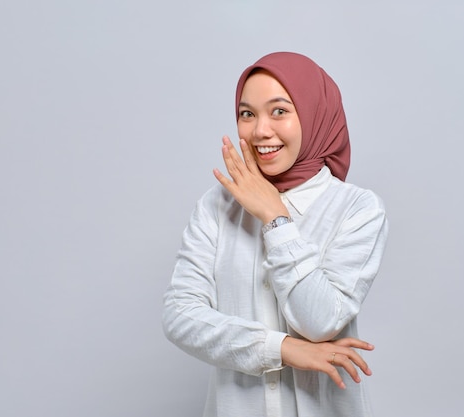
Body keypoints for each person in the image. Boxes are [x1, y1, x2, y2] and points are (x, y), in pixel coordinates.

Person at [163, 51, 388, 417]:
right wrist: (280, 348)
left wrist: (274, 217)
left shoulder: (357, 208)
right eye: (247, 113)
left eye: (279, 111)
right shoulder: (216, 206)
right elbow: (179, 315)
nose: (260, 130)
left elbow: (320, 322)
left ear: (315, 114)